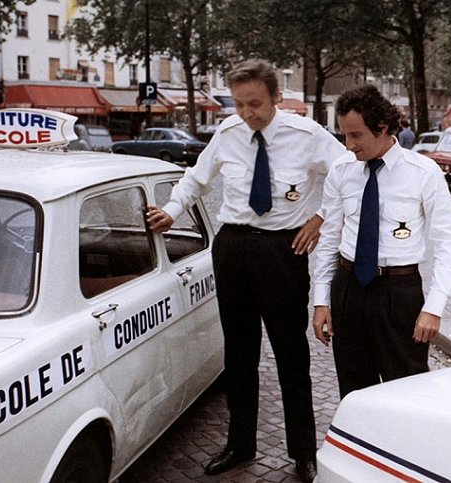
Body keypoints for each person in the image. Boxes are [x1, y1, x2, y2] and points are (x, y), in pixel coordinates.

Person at [147, 60, 347, 482]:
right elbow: (195, 180)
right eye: (238, 104)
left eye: (255, 103)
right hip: (233, 247)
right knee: (238, 353)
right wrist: (170, 210)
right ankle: (240, 444)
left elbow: (350, 177)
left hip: (282, 249)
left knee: (291, 354)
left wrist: (321, 218)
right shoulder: (228, 133)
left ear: (276, 97)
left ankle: (303, 453)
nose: (247, 113)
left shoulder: (308, 137)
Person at [312, 85, 451, 399]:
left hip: (399, 295)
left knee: (408, 393)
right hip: (349, 290)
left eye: (356, 136)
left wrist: (433, 307)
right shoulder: (342, 171)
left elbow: (448, 242)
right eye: (344, 135)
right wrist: (322, 300)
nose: (348, 145)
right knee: (355, 393)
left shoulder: (423, 173)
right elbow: (329, 240)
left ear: (381, 129)